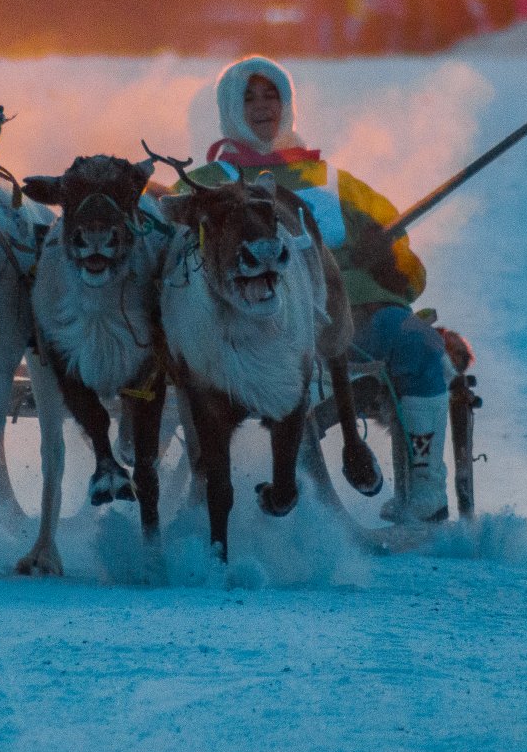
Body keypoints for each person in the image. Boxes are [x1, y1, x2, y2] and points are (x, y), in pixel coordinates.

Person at [178, 56, 463, 523]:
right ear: (228, 107)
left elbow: (408, 268)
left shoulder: (334, 182)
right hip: (248, 325)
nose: (261, 107)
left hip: (353, 315)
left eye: (271, 95)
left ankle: (426, 493)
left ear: (288, 103)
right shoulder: (205, 184)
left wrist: (388, 258)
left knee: (420, 346)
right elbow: (176, 262)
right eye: (248, 97)